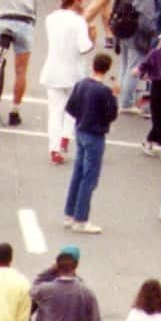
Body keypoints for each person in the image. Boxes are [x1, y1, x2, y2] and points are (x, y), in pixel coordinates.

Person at [63, 50, 118, 231]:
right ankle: (81, 219)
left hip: (80, 129)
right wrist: (115, 96)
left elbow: (70, 107)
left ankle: (69, 214)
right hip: (95, 134)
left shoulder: (81, 84)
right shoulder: (104, 91)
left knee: (77, 173)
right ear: (108, 69)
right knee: (90, 177)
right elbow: (111, 115)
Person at [39, 0, 94, 163]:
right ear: (76, 1)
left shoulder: (51, 18)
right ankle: (66, 136)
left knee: (55, 111)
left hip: (53, 71)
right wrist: (92, 36)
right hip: (73, 73)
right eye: (81, 0)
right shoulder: (79, 22)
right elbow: (84, 47)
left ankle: (54, 148)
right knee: (73, 109)